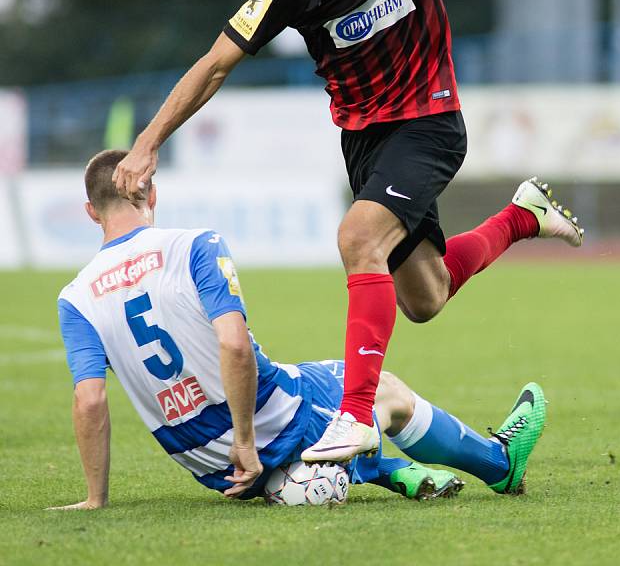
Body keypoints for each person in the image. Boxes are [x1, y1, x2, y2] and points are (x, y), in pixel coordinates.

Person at [113, 0, 581, 462]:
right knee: (426, 296)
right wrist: (147, 141)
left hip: (428, 122)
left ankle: (357, 415)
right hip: (364, 141)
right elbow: (215, 63)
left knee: (358, 237)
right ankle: (522, 215)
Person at [51, 150, 547, 509]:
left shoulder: (76, 298)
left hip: (206, 463)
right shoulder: (194, 245)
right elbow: (235, 347)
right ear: (151, 192)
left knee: (320, 402)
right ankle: (498, 465)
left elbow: (89, 400)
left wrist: (96, 498)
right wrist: (245, 440)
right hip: (267, 425)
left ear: (91, 211)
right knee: (381, 389)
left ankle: (379, 472)